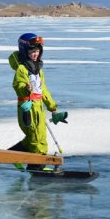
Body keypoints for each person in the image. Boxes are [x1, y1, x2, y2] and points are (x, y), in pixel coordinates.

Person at [8, 33, 67, 169]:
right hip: (27, 108)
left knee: (40, 136)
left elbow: (43, 90)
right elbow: (17, 85)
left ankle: (13, 155)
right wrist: (25, 88)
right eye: (32, 51)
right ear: (24, 52)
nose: (35, 54)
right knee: (35, 138)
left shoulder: (38, 69)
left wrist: (52, 107)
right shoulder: (22, 69)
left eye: (37, 51)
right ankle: (36, 167)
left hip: (39, 107)